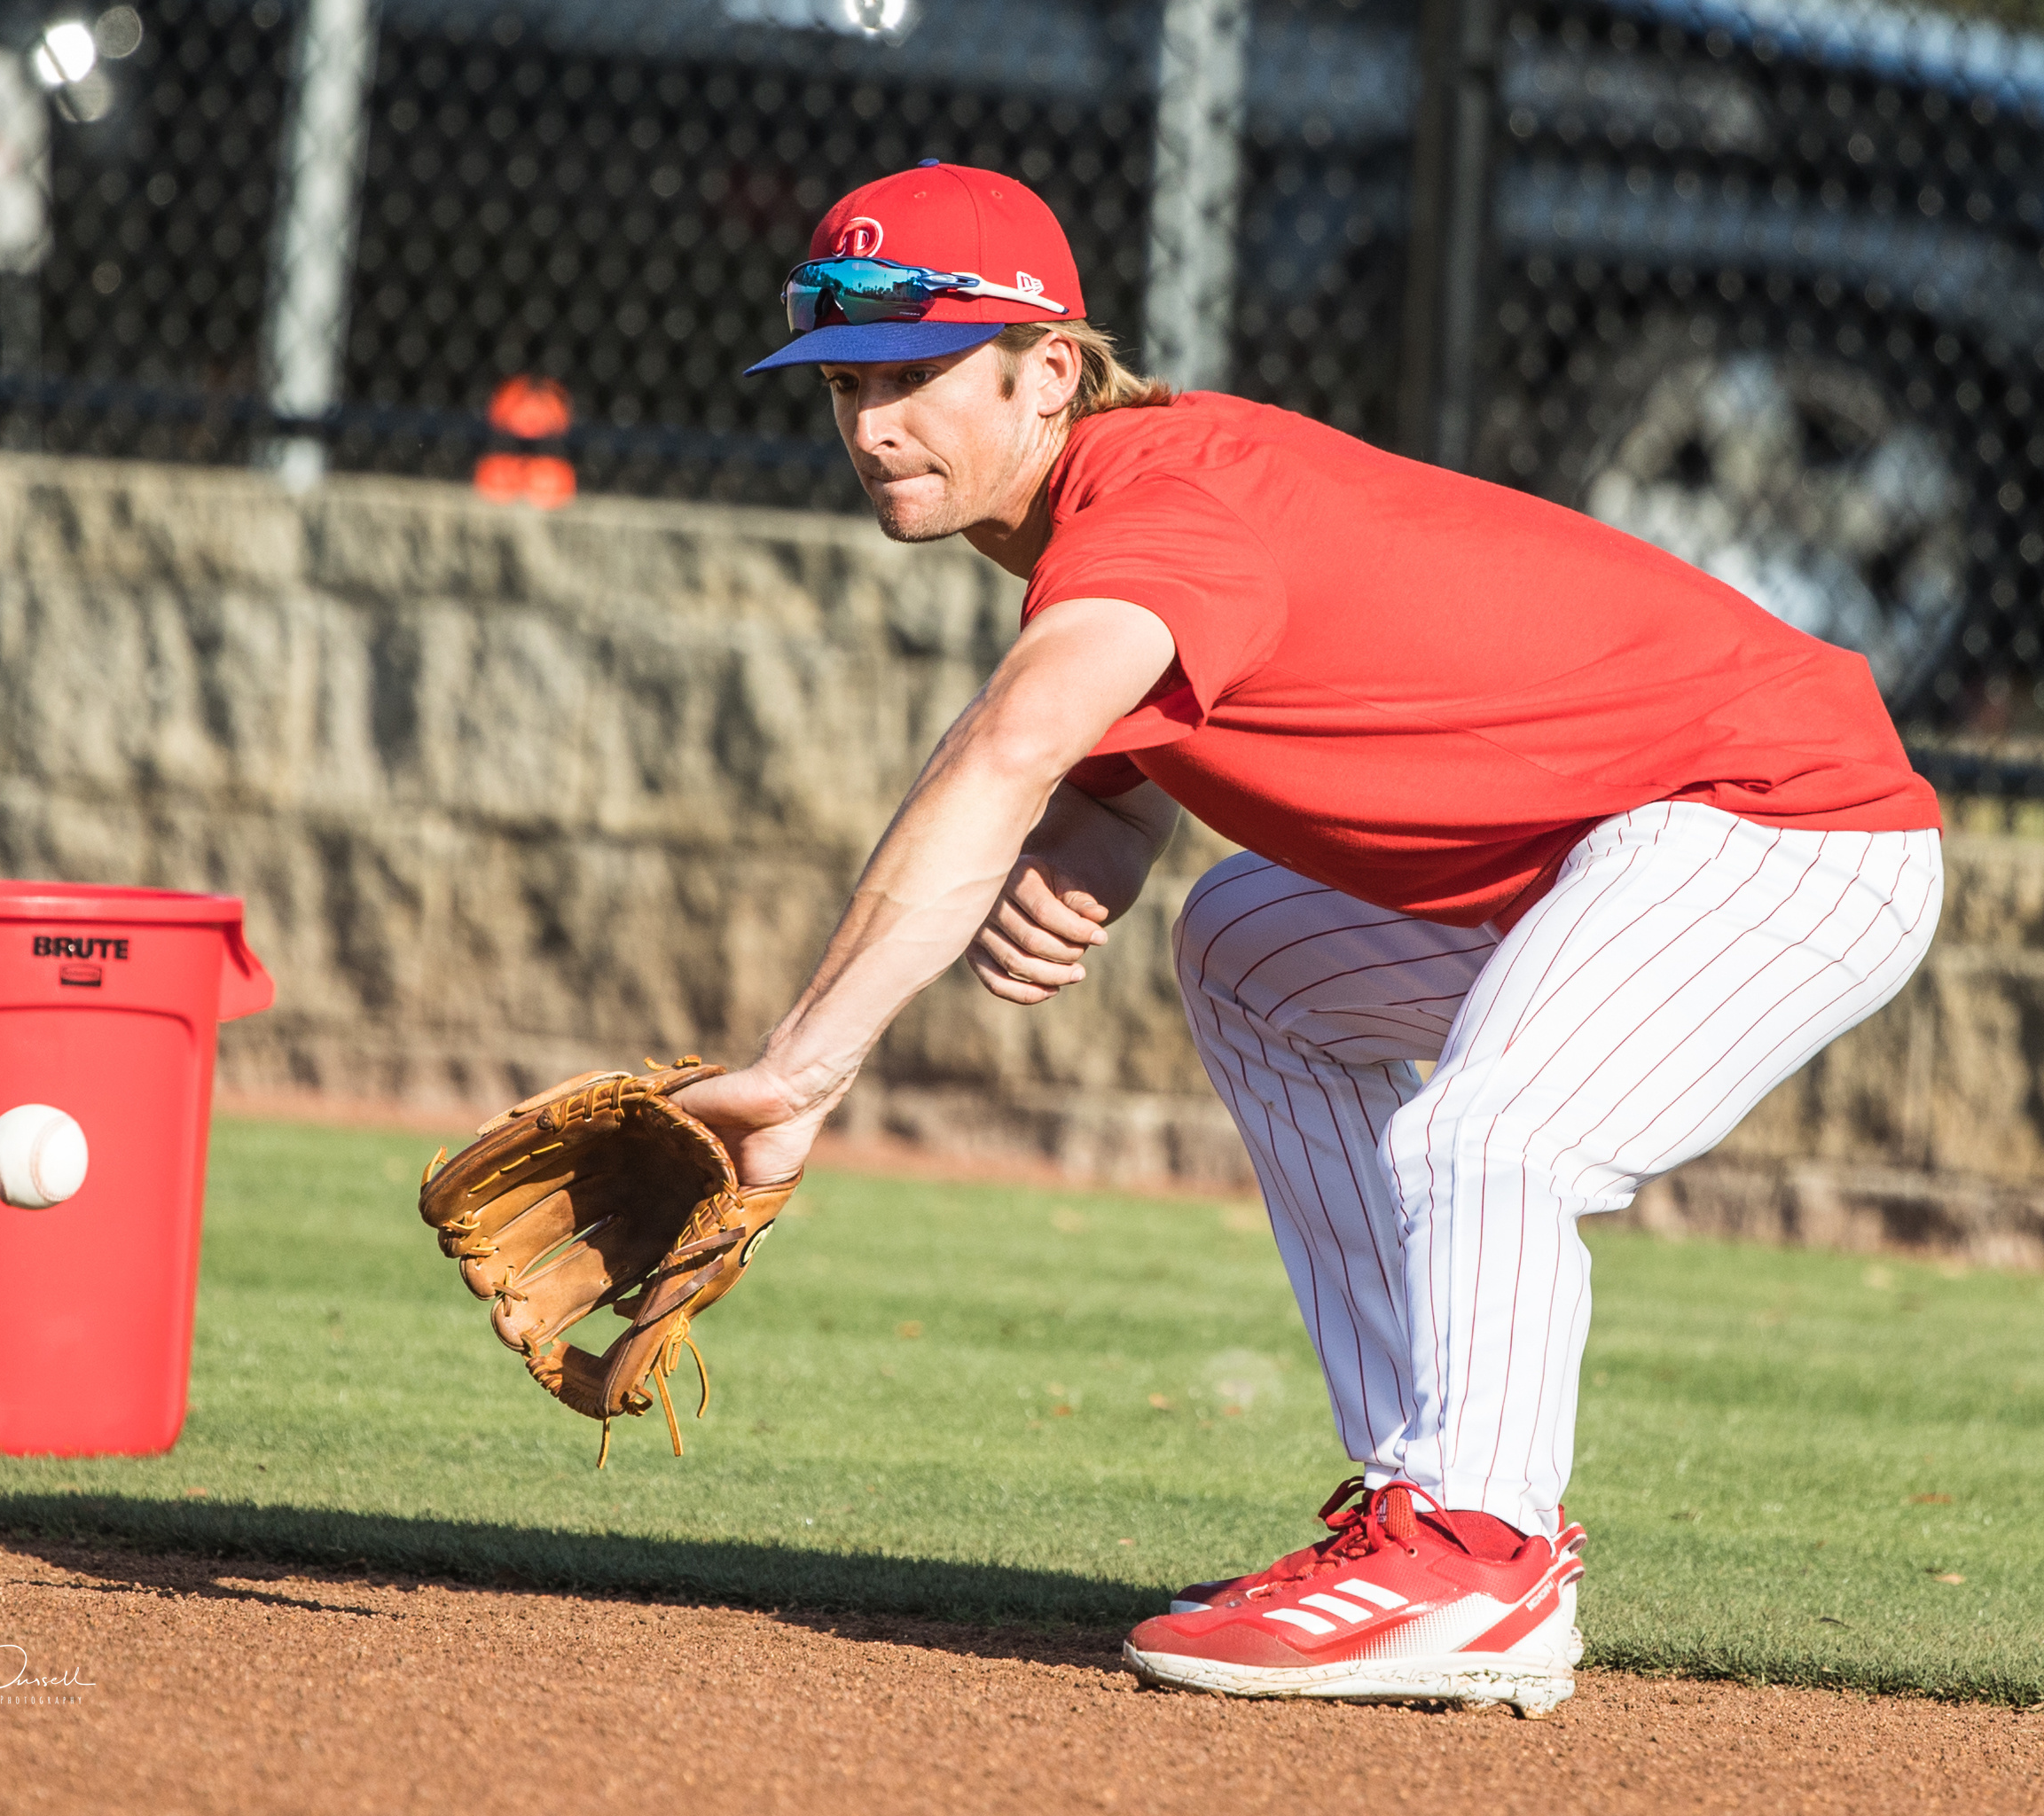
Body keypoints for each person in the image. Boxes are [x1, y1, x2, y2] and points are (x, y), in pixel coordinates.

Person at [675, 161, 1942, 1713]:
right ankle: (1419, 1494)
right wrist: (1102, 835)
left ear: (1049, 369)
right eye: (848, 383)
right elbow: (1110, 770)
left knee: (1492, 1139)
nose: (873, 425)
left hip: (1784, 826)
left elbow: (1005, 751)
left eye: (920, 375)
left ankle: (1480, 1559)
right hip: (1617, 848)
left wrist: (802, 1071)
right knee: (1256, 949)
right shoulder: (1134, 506)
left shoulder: (1157, 513)